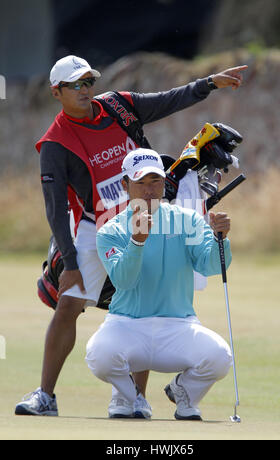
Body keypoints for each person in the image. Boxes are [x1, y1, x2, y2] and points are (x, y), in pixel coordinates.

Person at [15, 55, 246, 417]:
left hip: (147, 212)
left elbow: (169, 99)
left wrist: (208, 83)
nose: (85, 90)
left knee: (146, 293)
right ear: (56, 92)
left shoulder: (118, 106)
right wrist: (71, 264)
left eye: (89, 82)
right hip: (96, 227)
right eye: (75, 85)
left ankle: (137, 398)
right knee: (69, 303)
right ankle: (45, 395)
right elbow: (55, 208)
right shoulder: (55, 143)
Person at [85, 149, 233, 420]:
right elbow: (124, 280)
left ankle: (184, 392)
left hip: (178, 326)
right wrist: (137, 241)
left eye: (155, 182)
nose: (149, 190)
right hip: (126, 324)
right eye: (140, 183)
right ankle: (128, 395)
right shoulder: (111, 230)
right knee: (99, 354)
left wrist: (218, 239)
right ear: (125, 185)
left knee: (220, 357)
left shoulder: (187, 221)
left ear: (164, 183)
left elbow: (210, 265)